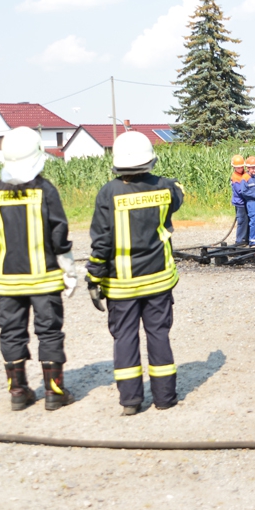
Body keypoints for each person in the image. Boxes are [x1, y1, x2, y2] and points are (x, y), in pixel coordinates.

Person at [86, 131, 185, 416]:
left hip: (121, 285)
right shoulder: (165, 189)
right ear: (150, 160)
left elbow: (101, 242)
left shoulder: (108, 193)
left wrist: (94, 276)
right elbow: (178, 193)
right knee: (158, 335)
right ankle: (165, 397)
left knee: (125, 338)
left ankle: (131, 401)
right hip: (158, 279)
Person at [0, 127, 77, 412]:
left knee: (11, 333)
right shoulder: (44, 190)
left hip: (8, 281)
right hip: (45, 280)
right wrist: (69, 269)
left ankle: (18, 393)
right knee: (49, 333)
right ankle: (54, 392)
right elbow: (58, 233)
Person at [229, 154, 249, 246]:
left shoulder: (245, 174)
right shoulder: (235, 177)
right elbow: (240, 191)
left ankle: (247, 239)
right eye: (238, 167)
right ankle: (240, 240)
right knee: (242, 221)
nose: (240, 169)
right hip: (240, 203)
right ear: (234, 167)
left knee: (248, 220)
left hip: (246, 202)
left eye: (241, 167)